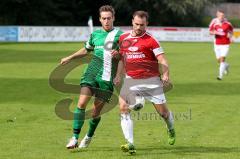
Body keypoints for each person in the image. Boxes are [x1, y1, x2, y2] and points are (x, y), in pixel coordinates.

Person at [60, 5, 122, 149]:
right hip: (91, 73)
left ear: (113, 18)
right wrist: (70, 57)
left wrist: (118, 73)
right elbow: (86, 49)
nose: (106, 21)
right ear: (100, 19)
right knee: (81, 104)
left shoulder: (121, 36)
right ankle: (74, 138)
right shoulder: (95, 35)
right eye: (104, 18)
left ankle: (88, 137)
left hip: (106, 78)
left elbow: (123, 58)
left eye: (109, 18)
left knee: (95, 112)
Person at [113, 11, 175, 155]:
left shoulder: (151, 40)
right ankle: (130, 143)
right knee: (123, 108)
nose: (139, 27)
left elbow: (162, 59)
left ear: (147, 24)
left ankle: (171, 129)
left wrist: (165, 73)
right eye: (136, 24)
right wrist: (118, 74)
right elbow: (122, 58)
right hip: (131, 79)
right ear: (132, 22)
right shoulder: (123, 38)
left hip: (151, 81)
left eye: (142, 24)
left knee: (164, 114)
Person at [209, 10, 233, 80]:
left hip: (226, 44)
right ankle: (226, 65)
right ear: (218, 16)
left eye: (223, 16)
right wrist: (215, 32)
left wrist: (230, 36)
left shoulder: (228, 24)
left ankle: (220, 76)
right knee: (219, 60)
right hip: (217, 44)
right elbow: (210, 32)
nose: (221, 17)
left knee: (222, 60)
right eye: (220, 16)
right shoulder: (215, 23)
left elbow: (231, 31)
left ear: (224, 16)